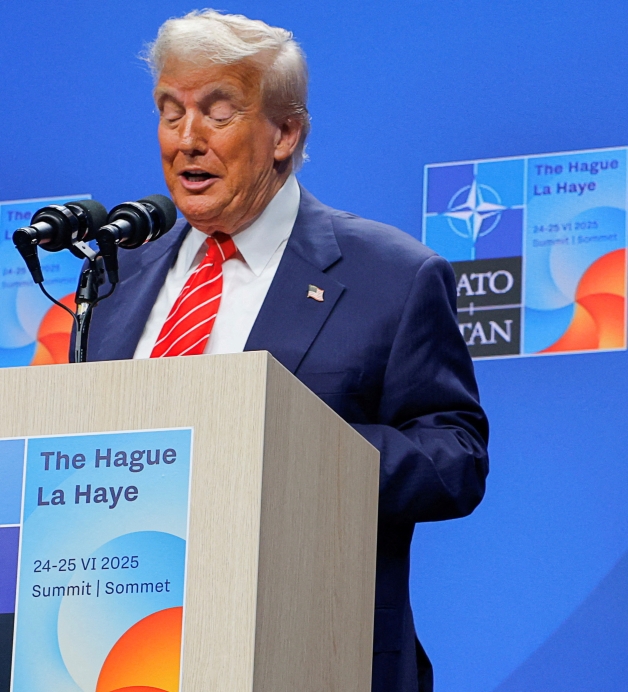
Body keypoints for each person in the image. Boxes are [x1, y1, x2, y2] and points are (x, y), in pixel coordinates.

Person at [87, 11, 488, 692]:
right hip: (122, 647)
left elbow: (455, 459)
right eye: (170, 112)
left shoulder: (391, 276)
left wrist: (290, 453)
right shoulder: (113, 280)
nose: (187, 139)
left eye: (218, 113)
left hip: (306, 650)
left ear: (285, 133)